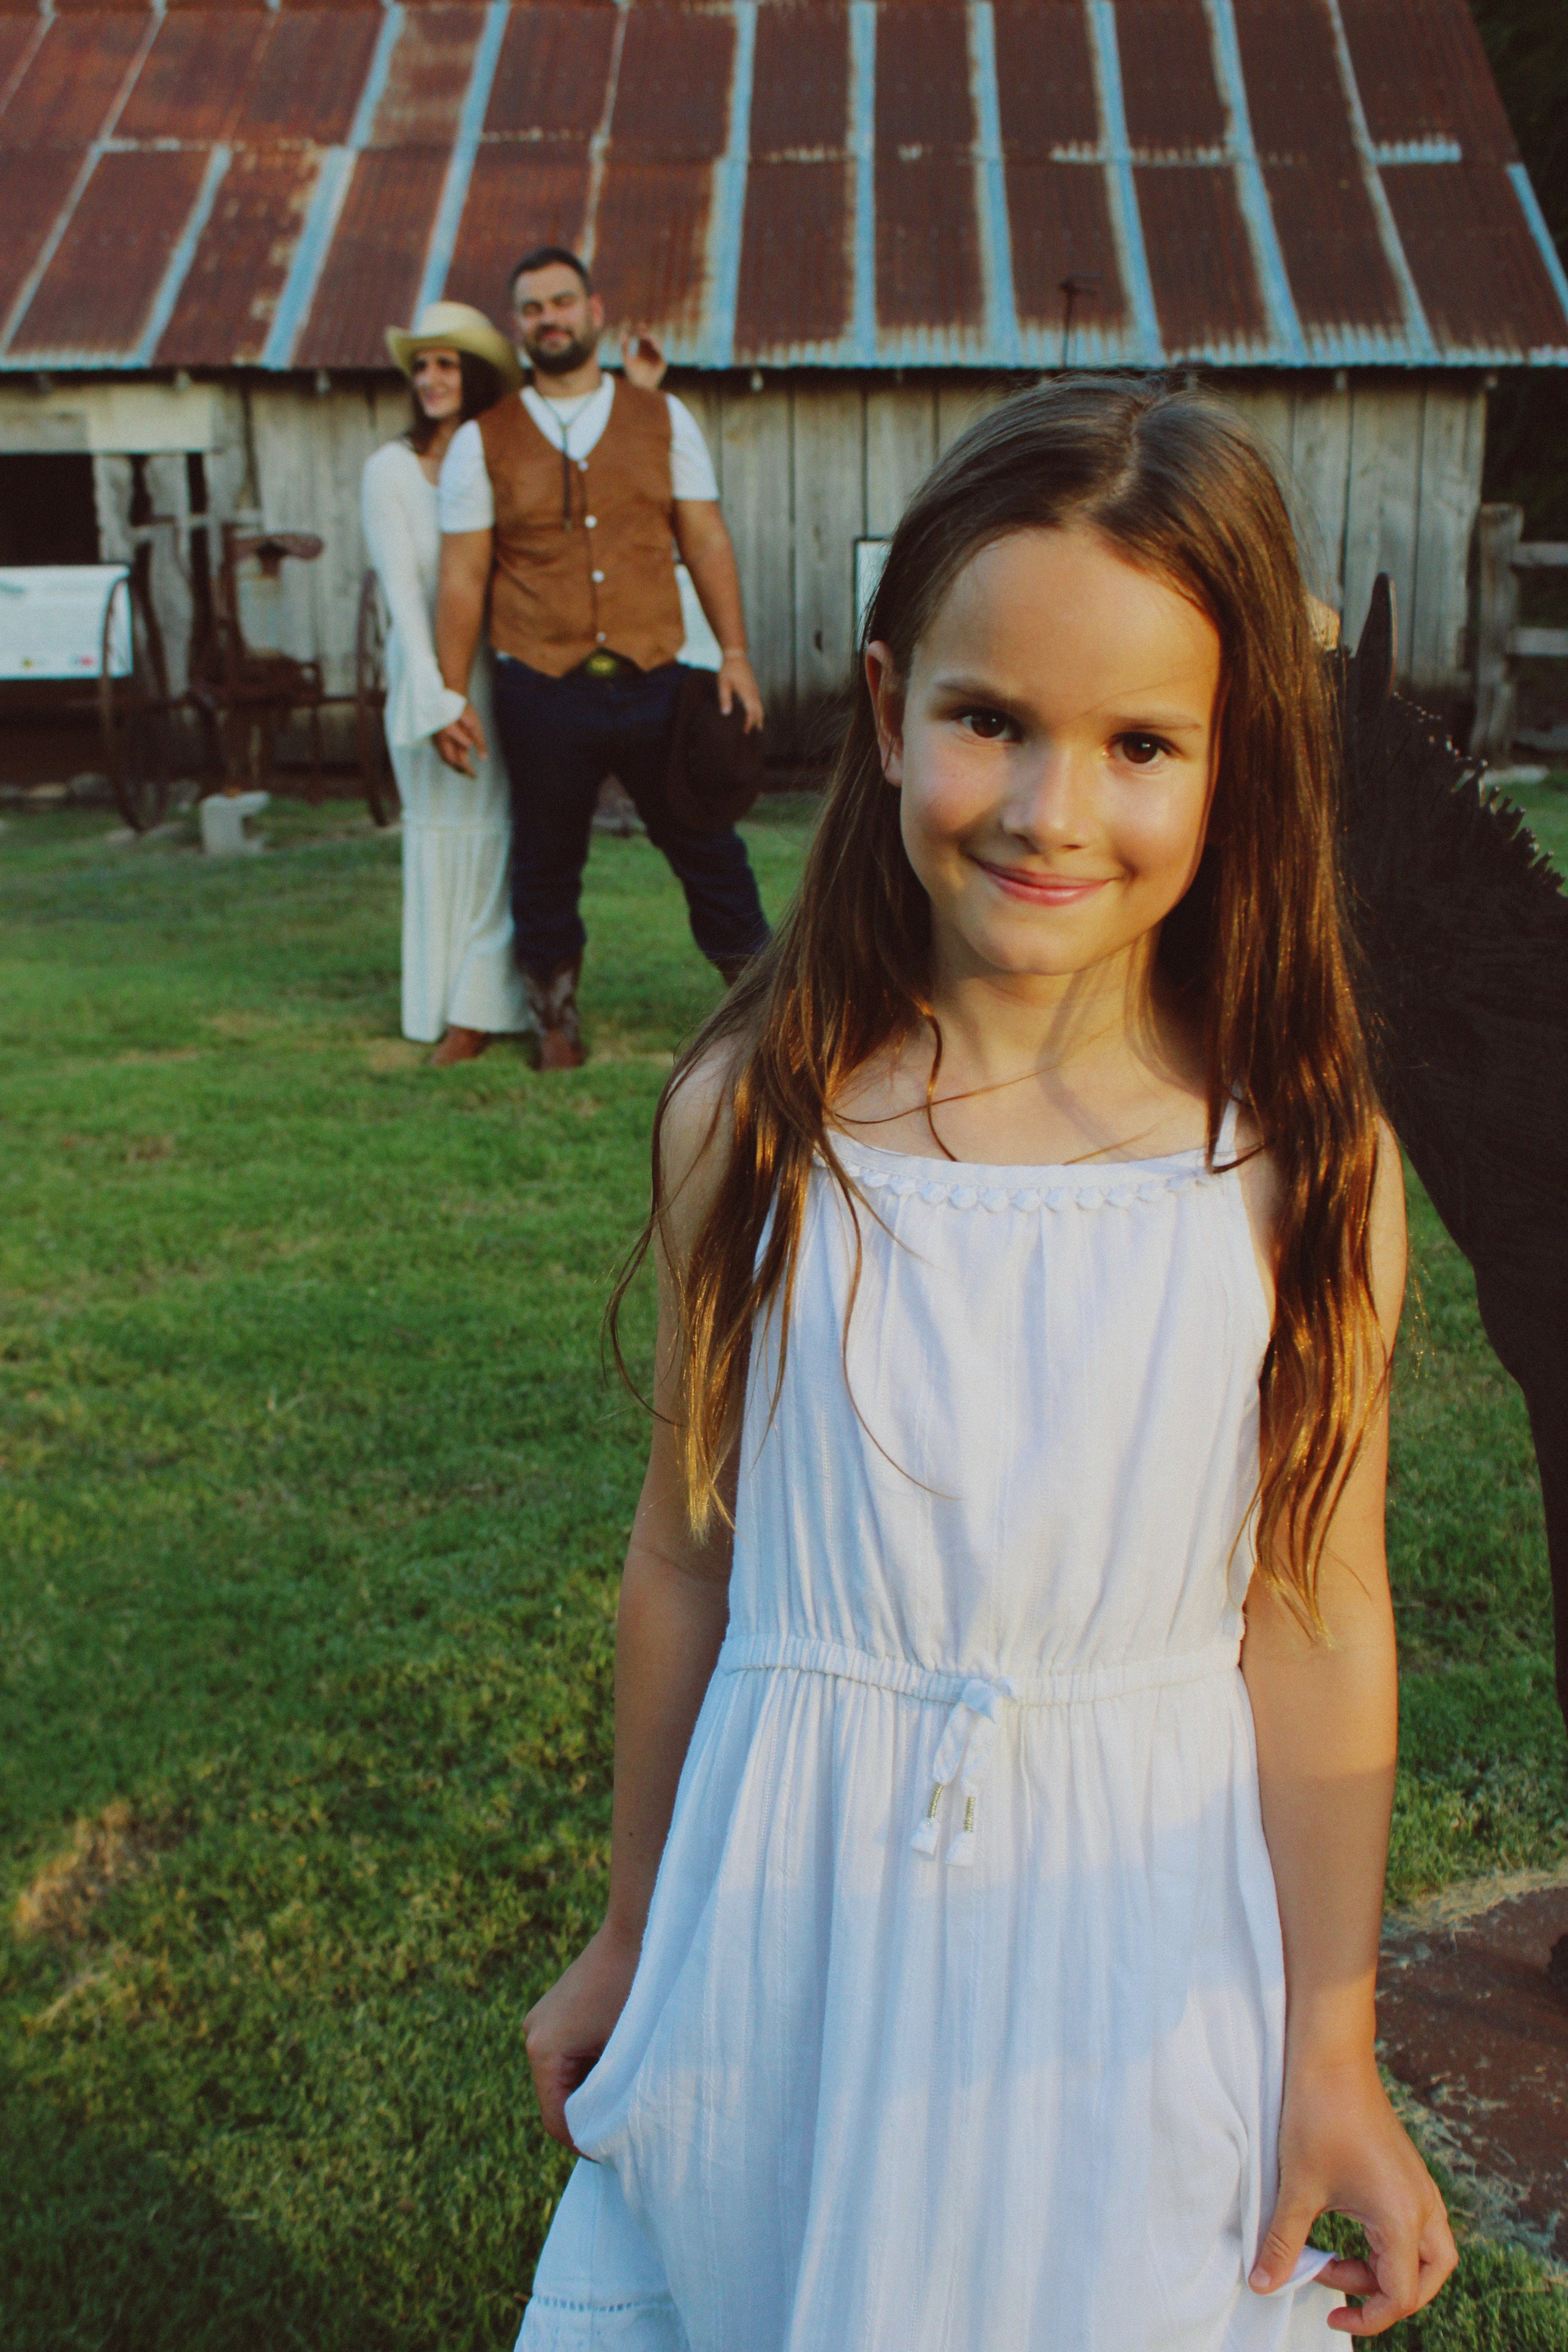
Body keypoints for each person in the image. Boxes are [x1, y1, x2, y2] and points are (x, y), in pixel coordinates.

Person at [516, 379, 1461, 2349]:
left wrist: (1331, 2044)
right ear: (883, 707)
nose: (1048, 809)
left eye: (1137, 744)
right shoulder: (750, 1124)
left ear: (1231, 769)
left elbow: (1315, 1610)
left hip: (1136, 1954)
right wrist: (628, 1926)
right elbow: (684, 1555)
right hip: (794, 1933)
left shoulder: (1295, 1166)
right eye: (988, 720)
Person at [433, 248, 771, 1071]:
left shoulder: (664, 419)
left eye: (562, 302)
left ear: (594, 312)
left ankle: (766, 1009)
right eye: (533, 308)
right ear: (519, 326)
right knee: (545, 860)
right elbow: (463, 577)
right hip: (541, 690)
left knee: (710, 847)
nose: (550, 318)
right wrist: (448, 694)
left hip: (659, 679)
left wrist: (734, 652)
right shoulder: (484, 441)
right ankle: (555, 1020)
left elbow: (705, 539)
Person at [364, 302, 530, 1065]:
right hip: (426, 676)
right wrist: (438, 697)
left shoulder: (495, 458)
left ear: (477, 375)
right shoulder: (389, 471)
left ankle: (482, 1004)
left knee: (498, 834)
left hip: (498, 676)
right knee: (439, 835)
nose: (431, 379)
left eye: (447, 364)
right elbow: (403, 597)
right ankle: (437, 1006)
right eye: (421, 365)